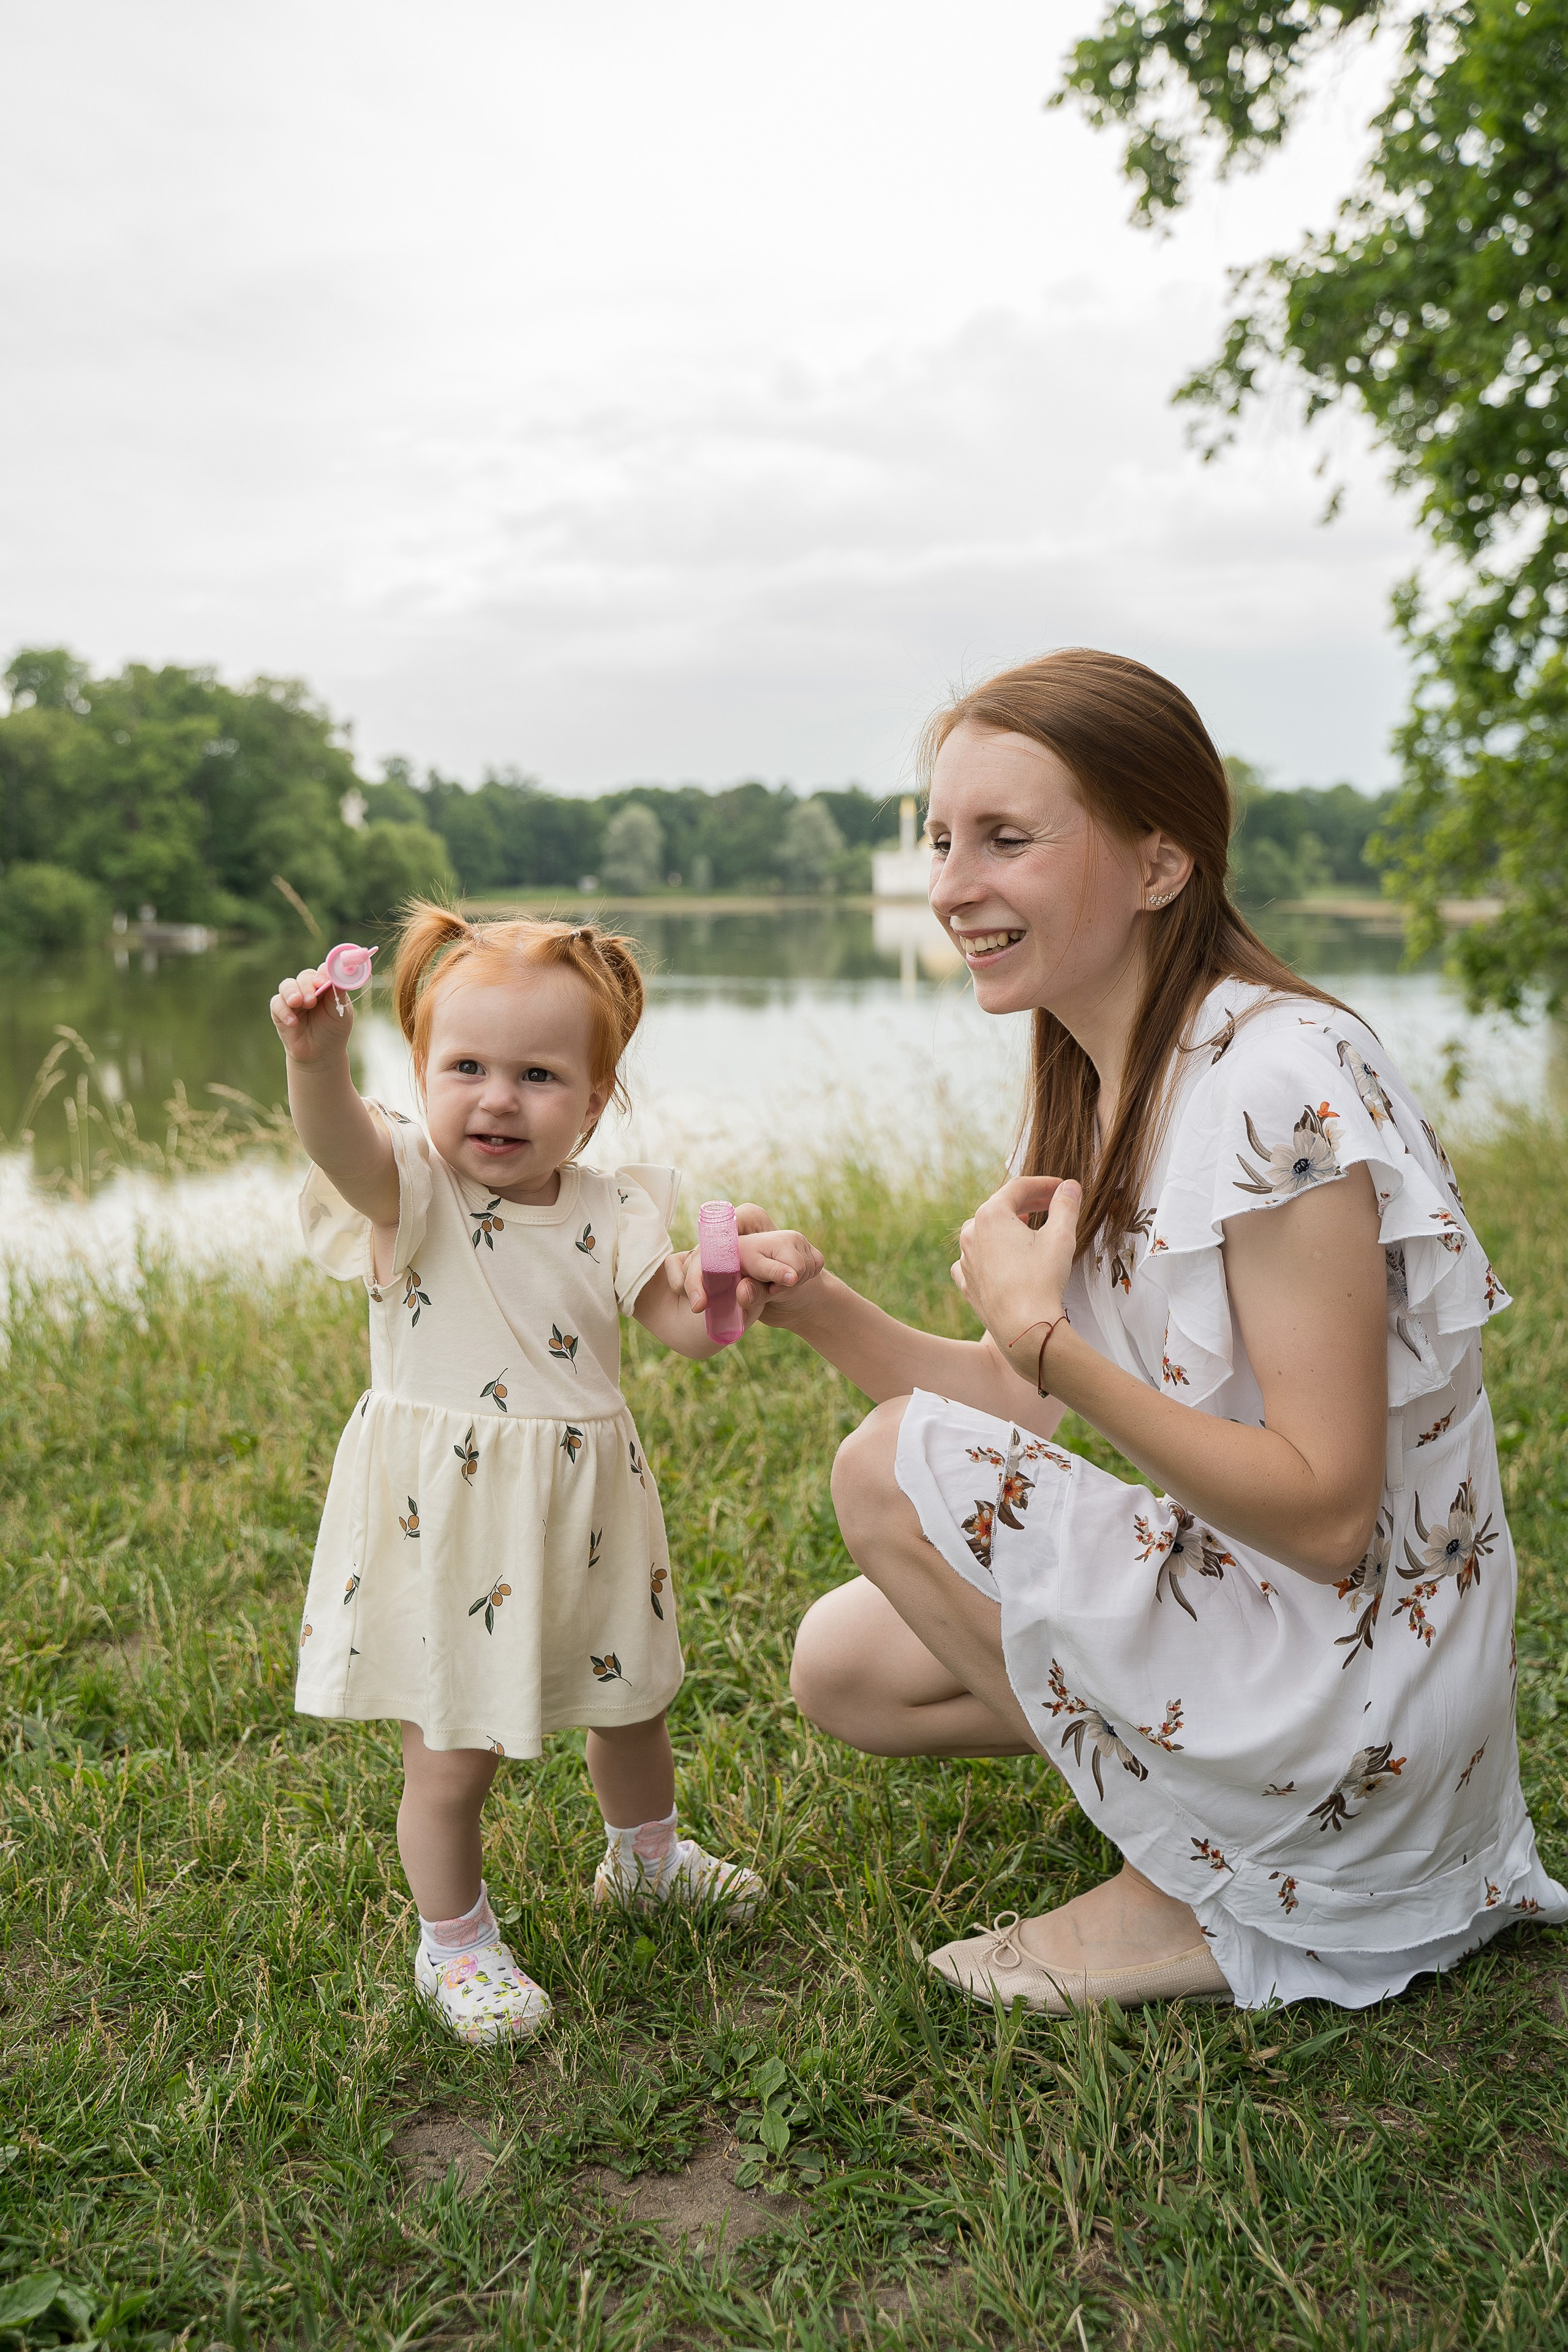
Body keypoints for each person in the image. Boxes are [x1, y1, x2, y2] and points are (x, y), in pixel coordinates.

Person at [771, 649, 1567, 2013]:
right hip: (1260, 1606)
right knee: (843, 1667)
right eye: (941, 840)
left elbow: (1324, 1517)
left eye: (1006, 840)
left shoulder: (1276, 1084)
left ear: (1157, 865)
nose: (953, 885)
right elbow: (1014, 1407)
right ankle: (1214, 1818)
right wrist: (817, 1305)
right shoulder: (1104, 1075)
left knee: (876, 1465)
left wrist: (1046, 1344)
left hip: (1360, 1675)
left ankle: (1215, 1882)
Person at [271, 907, 821, 2046]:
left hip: (584, 1513)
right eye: (464, 1067)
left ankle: (648, 1860)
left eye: (538, 1074)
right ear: (419, 1071)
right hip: (452, 1524)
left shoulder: (614, 1207)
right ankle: (455, 1942)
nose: (497, 1099)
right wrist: (315, 1063)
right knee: (452, 1754)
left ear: (596, 1097)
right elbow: (340, 1145)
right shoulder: (410, 1185)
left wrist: (734, 1276)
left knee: (630, 1704)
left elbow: (685, 1323)